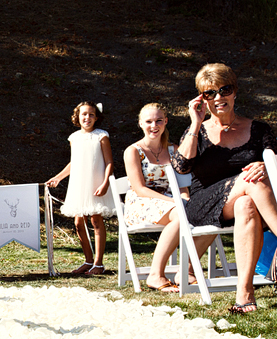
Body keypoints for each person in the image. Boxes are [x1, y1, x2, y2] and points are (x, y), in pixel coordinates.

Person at [173, 63, 277, 314]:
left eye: (225, 89)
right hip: (203, 204)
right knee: (251, 180)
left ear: (235, 92)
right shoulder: (195, 131)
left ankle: (244, 294)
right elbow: (182, 167)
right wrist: (196, 123)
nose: (219, 97)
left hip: (252, 206)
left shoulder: (259, 129)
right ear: (202, 98)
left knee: (246, 201)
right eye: (210, 93)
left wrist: (266, 164)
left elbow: (275, 161)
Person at [123, 103, 190, 292]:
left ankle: (189, 271)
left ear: (166, 121)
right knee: (180, 213)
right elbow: (139, 189)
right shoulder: (133, 151)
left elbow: (182, 186)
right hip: (141, 203)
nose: (154, 125)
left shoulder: (173, 149)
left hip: (172, 201)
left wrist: (185, 199)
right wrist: (176, 202)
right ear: (140, 124)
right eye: (149, 121)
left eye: (159, 120)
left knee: (196, 211)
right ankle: (156, 274)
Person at [46, 102, 115, 276]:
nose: (87, 118)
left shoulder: (101, 136)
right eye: (84, 114)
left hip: (96, 182)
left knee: (96, 220)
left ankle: (98, 263)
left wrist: (105, 182)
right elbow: (74, 162)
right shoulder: (74, 137)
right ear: (77, 116)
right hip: (79, 183)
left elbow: (109, 162)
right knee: (78, 222)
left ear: (96, 117)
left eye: (91, 115)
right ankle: (88, 260)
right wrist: (58, 177)